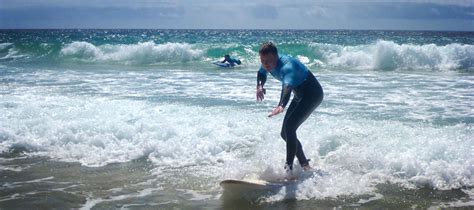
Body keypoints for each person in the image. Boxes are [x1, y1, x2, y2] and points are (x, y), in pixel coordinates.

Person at [256, 42, 324, 176]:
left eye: (269, 61)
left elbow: (287, 87)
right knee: (284, 133)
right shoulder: (267, 62)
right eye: (263, 61)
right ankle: (305, 165)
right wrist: (259, 86)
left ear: (276, 56)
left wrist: (281, 105)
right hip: (299, 94)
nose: (266, 64)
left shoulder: (288, 67)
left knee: (289, 128)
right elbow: (261, 72)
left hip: (312, 94)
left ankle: (289, 170)